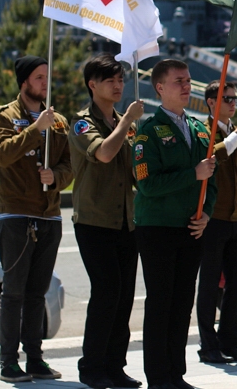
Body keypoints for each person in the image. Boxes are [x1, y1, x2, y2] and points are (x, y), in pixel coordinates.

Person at [0, 55, 73, 384]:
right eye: (38, 78)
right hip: (16, 214)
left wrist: (56, 178)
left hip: (49, 214)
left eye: (47, 77)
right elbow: (3, 155)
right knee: (14, 293)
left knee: (38, 293)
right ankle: (9, 362)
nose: (44, 84)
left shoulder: (60, 122)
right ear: (24, 83)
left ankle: (35, 359)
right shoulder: (4, 117)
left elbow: (70, 166)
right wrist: (36, 130)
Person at [134, 59, 217, 389]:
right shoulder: (148, 131)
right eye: (179, 81)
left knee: (183, 303)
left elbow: (213, 179)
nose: (187, 86)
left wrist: (207, 212)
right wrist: (191, 175)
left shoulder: (199, 129)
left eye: (189, 80)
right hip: (157, 227)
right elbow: (147, 185)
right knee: (160, 303)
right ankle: (158, 376)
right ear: (160, 88)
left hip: (190, 227)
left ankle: (176, 374)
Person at [68, 54, 144, 389]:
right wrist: (127, 122)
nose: (117, 86)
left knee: (124, 296)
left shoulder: (124, 124)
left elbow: (135, 172)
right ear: (92, 84)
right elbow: (103, 153)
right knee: (107, 292)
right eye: (110, 80)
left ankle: (115, 366)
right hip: (94, 221)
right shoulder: (82, 122)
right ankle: (92, 366)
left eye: (120, 80)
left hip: (126, 221)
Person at [195, 80, 237, 364]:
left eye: (235, 99)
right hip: (212, 220)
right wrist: (234, 136)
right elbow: (208, 156)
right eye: (227, 99)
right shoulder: (202, 130)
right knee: (210, 286)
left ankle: (229, 342)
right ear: (211, 102)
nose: (233, 104)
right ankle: (208, 345)